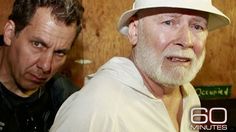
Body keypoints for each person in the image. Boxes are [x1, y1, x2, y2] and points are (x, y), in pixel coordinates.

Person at [50, 0, 230, 131]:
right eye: (169, 22)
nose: (187, 40)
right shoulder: (96, 108)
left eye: (197, 27)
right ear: (134, 30)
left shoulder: (189, 95)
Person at [0, 0, 84, 131]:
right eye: (37, 44)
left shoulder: (69, 104)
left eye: (59, 53)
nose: (46, 66)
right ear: (10, 33)